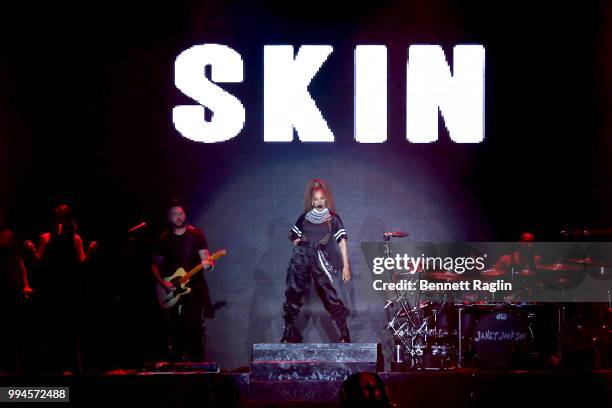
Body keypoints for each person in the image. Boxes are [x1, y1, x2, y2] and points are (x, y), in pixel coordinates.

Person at [24, 204, 97, 374]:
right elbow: (39, 263)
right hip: (50, 289)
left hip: (69, 289)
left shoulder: (75, 238)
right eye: (59, 216)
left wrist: (91, 251)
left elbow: (81, 263)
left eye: (64, 216)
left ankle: (70, 368)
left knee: (70, 329)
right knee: (51, 329)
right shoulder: (46, 237)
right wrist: (33, 250)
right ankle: (52, 368)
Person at [281, 179, 352, 343]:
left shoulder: (333, 218)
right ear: (312, 201)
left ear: (326, 199)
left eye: (322, 198)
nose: (319, 202)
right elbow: (293, 236)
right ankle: (287, 333)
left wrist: (345, 266)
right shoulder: (304, 217)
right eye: (316, 199)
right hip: (301, 256)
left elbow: (342, 241)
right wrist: (300, 243)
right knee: (293, 293)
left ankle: (344, 332)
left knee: (329, 294)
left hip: (319, 257)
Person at [152, 200, 215, 362]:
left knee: (194, 328)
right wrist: (163, 283)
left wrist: (209, 265)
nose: (178, 217)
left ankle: (196, 365)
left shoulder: (196, 235)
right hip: (171, 290)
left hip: (194, 289)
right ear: (168, 217)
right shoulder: (164, 239)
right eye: (174, 214)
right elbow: (155, 266)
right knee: (175, 329)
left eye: (181, 213)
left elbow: (206, 260)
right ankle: (176, 363)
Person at [0, 211, 33, 373]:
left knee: (14, 328)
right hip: (5, 290)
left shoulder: (13, 255)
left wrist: (26, 285)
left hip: (13, 290)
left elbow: (21, 267)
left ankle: (18, 366)